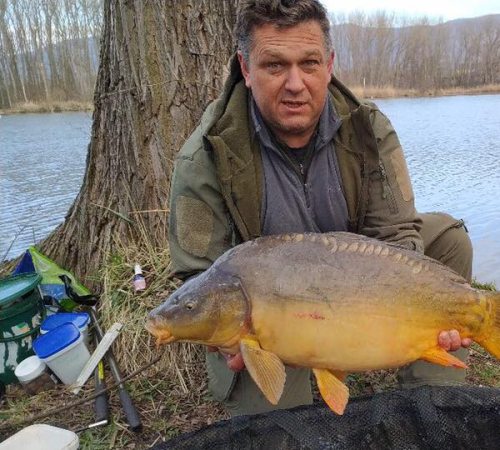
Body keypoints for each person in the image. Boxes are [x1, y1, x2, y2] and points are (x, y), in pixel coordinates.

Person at [168, 0, 474, 416]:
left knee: (448, 239)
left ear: (329, 65)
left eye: (309, 63)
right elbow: (198, 276)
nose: (295, 83)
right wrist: (230, 341)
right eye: (275, 65)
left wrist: (406, 310)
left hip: (353, 277)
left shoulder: (368, 128)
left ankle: (430, 402)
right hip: (270, 307)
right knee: (281, 426)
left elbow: (397, 235)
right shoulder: (206, 155)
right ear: (245, 68)